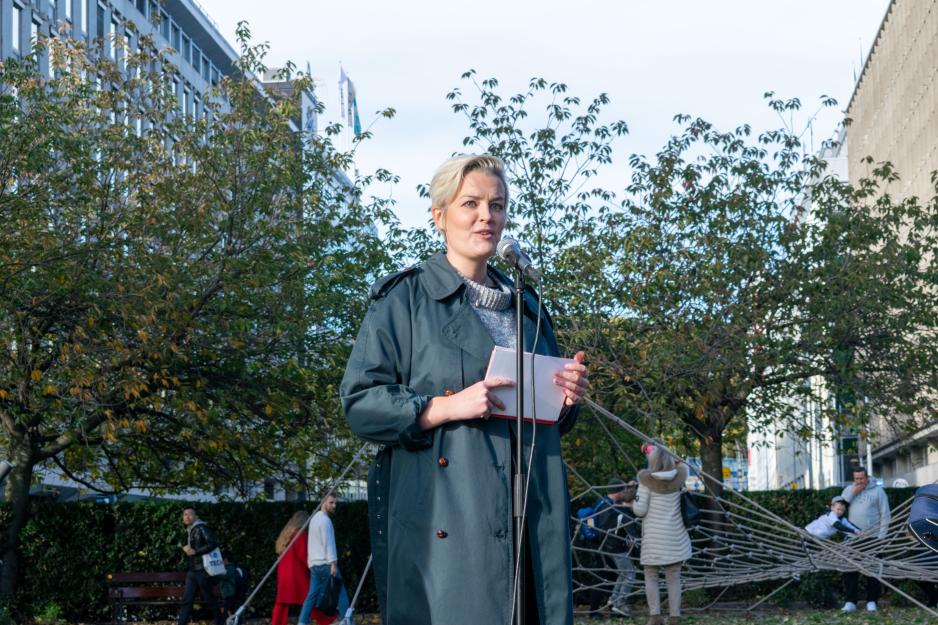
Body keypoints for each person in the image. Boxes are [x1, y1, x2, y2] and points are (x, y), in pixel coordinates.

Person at [340, 154, 589, 625]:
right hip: (447, 518)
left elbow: (546, 415)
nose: (486, 216)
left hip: (532, 516)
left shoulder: (530, 307)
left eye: (497, 205)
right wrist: (443, 406)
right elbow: (359, 403)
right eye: (470, 203)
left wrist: (566, 397)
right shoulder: (403, 300)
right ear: (439, 216)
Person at [633, 446, 692, 625]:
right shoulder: (679, 478)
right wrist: (679, 462)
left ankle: (655, 616)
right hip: (675, 537)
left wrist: (633, 502)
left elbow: (639, 510)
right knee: (673, 577)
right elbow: (685, 468)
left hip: (654, 539)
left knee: (651, 575)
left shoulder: (645, 481)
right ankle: (674, 617)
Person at [840, 467, 891, 613]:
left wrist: (881, 537)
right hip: (852, 538)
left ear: (867, 477)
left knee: (873, 571)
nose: (859, 481)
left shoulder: (878, 491)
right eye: (856, 479)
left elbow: (885, 515)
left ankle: (872, 601)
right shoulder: (848, 490)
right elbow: (839, 510)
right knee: (849, 571)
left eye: (861, 478)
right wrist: (852, 494)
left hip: (873, 538)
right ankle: (850, 602)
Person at [590, 479, 640, 617]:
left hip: (608, 547)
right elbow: (600, 526)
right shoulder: (607, 506)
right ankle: (605, 607)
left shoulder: (612, 505)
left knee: (619, 575)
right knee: (615, 576)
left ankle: (614, 604)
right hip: (605, 547)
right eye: (623, 490)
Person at [298, 495, 351, 625]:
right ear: (323, 502)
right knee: (341, 592)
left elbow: (312, 542)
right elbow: (328, 543)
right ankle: (346, 621)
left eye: (335, 503)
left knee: (312, 595)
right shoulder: (325, 521)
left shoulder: (314, 519)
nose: (334, 505)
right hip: (326, 563)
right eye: (331, 502)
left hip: (314, 564)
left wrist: (310, 562)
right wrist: (333, 563)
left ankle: (302, 622)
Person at [178, 506, 225, 625]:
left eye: (190, 514)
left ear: (196, 517)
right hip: (193, 571)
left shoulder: (201, 527)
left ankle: (221, 622)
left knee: (210, 600)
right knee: (186, 600)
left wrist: (196, 551)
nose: (187, 517)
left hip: (203, 570)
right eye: (185, 515)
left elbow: (212, 543)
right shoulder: (190, 530)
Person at [272, 511, 312, 625]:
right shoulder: (300, 534)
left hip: (284, 573)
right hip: (296, 573)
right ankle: (324, 620)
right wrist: (312, 566)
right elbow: (303, 554)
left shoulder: (285, 535)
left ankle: (277, 623)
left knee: (281, 602)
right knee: (310, 596)